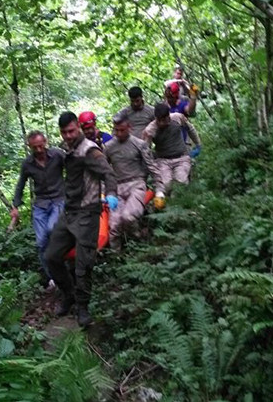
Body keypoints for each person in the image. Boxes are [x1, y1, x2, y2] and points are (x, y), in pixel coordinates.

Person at [45, 111, 118, 327]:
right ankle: (68, 295)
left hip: (87, 212)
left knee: (83, 265)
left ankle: (83, 307)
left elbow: (108, 173)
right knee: (51, 257)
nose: (68, 135)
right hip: (68, 213)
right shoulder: (68, 148)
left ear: (78, 127)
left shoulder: (89, 150)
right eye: (64, 132)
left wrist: (111, 193)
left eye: (71, 130)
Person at [10, 131, 65, 286]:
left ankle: (64, 262)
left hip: (59, 200)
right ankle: (52, 277)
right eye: (35, 148)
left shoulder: (57, 155)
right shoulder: (27, 164)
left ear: (45, 142)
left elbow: (73, 168)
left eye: (41, 146)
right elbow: (20, 185)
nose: (39, 150)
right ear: (30, 147)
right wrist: (16, 206)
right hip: (40, 204)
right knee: (41, 242)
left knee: (51, 229)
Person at [105, 112, 162, 251]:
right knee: (114, 225)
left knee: (128, 217)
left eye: (122, 130)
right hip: (117, 188)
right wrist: (104, 192)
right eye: (116, 130)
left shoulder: (140, 144)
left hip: (136, 184)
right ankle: (116, 257)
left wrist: (160, 190)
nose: (118, 133)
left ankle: (139, 240)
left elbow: (152, 167)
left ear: (129, 127)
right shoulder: (108, 147)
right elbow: (103, 172)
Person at [143, 102, 201, 198]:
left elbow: (190, 129)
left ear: (168, 116)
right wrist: (152, 167)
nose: (162, 123)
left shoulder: (177, 118)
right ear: (156, 118)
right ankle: (165, 204)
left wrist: (198, 144)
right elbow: (146, 150)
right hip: (163, 160)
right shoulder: (150, 130)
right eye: (159, 120)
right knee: (166, 186)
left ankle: (179, 204)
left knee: (180, 183)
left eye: (164, 120)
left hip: (181, 157)